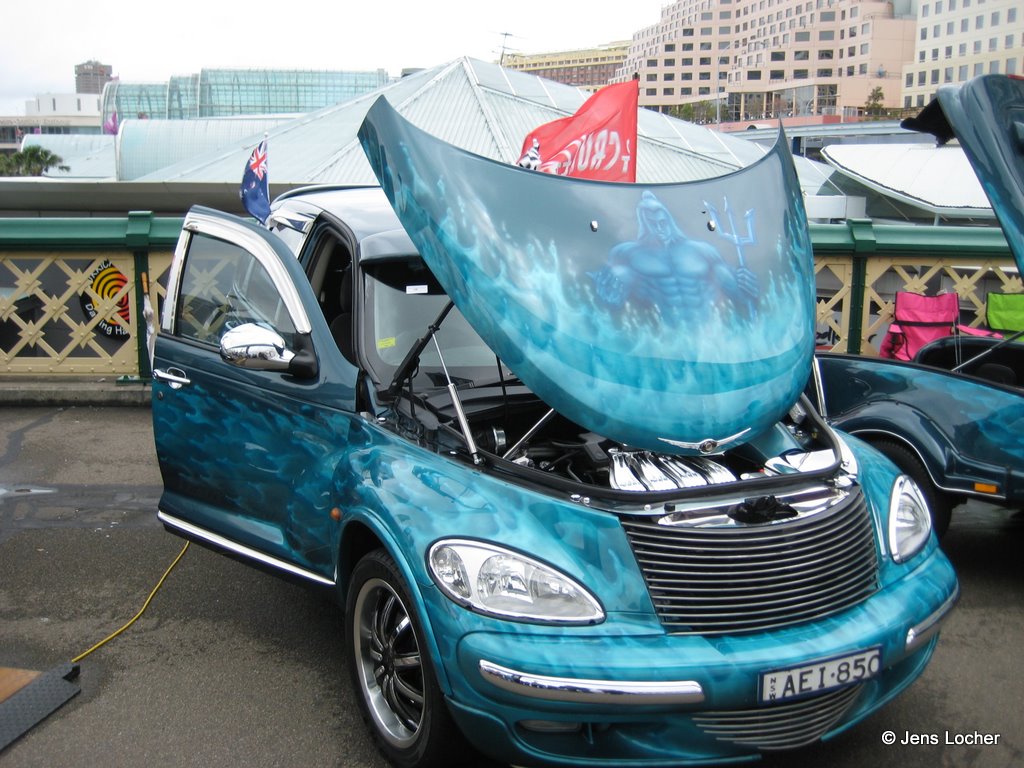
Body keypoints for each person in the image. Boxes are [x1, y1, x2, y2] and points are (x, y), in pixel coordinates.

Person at [590, 191, 759, 323]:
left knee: (721, 272)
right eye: (653, 224)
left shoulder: (702, 251)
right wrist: (609, 297)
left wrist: (747, 288)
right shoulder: (628, 253)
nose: (660, 229)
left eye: (662, 223)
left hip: (707, 332)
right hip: (663, 337)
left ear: (669, 221)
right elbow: (610, 290)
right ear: (645, 224)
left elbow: (736, 291)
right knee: (621, 274)